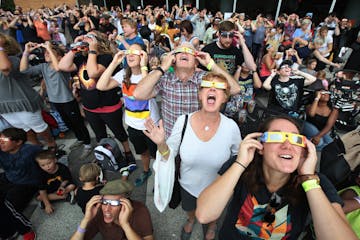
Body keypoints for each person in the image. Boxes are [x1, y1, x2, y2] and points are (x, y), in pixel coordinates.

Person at [196, 115, 358, 239]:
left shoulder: (317, 182)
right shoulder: (242, 166)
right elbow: (204, 214)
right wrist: (240, 163)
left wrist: (308, 179)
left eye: (295, 139)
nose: (287, 145)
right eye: (276, 137)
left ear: (303, 149)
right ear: (261, 147)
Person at [144, 73, 241, 240]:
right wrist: (161, 144)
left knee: (214, 214)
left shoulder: (231, 127)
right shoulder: (183, 121)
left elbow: (238, 157)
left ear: (225, 98)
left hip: (217, 189)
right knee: (189, 208)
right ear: (200, 94)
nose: (212, 88)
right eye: (207, 86)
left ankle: (212, 225)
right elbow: (169, 154)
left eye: (219, 88)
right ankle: (191, 219)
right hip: (187, 185)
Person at [58, 31, 136, 168]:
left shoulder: (106, 58)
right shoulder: (81, 58)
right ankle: (107, 154)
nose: (85, 38)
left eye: (89, 36)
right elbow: (62, 66)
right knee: (100, 135)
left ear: (98, 41)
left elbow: (93, 72)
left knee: (119, 132)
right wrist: (74, 48)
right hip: (90, 107)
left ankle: (128, 153)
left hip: (108, 105)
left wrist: (93, 50)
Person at [133, 42, 241, 138]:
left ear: (196, 62)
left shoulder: (205, 79)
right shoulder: (164, 77)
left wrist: (211, 64)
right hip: (171, 139)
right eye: (180, 51)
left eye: (189, 51)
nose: (184, 53)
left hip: (197, 139)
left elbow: (235, 89)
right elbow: (138, 94)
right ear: (173, 59)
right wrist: (163, 67)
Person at [97, 44, 159, 187]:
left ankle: (159, 178)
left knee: (157, 155)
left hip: (151, 124)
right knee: (143, 153)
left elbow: (146, 89)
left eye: (135, 52)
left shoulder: (151, 75)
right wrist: (114, 63)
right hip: (133, 125)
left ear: (143, 55)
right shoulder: (123, 75)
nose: (130, 55)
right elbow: (101, 86)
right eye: (128, 52)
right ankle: (145, 170)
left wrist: (144, 66)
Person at [20, 41, 91, 153]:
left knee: (78, 123)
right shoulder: (44, 66)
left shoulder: (62, 67)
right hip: (55, 101)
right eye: (46, 53)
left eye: (50, 53)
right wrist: (26, 52)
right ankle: (80, 139)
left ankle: (88, 144)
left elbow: (57, 68)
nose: (47, 54)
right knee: (68, 123)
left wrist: (49, 48)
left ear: (59, 57)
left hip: (67, 100)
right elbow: (24, 70)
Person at [0, 32, 57, 149]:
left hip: (22, 102)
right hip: (5, 106)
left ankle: (52, 145)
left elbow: (5, 68)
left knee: (39, 127)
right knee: (24, 130)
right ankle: (37, 149)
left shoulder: (13, 60)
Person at [70, 179, 153, 240]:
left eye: (114, 203)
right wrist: (85, 220)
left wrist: (125, 225)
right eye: (105, 202)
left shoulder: (140, 210)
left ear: (125, 203)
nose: (107, 209)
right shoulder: (99, 211)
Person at [0, 128, 42, 211]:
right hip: (9, 177)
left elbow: (47, 160)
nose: (1, 143)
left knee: (9, 206)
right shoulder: (2, 151)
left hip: (27, 183)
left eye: (4, 140)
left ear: (19, 142)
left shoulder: (30, 151)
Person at [35, 150, 76, 214]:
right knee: (39, 197)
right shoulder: (40, 174)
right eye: (43, 165)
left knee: (72, 186)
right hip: (49, 190)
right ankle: (65, 197)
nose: (47, 167)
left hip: (61, 187)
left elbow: (66, 179)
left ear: (55, 160)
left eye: (49, 163)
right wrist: (47, 205)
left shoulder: (62, 168)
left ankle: (51, 199)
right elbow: (42, 190)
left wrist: (62, 186)